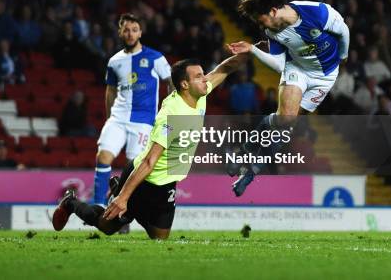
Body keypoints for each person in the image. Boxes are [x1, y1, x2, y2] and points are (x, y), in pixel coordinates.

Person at [53, 55, 247, 239]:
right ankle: (70, 202)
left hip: (167, 181)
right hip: (145, 179)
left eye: (203, 74)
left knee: (160, 237)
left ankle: (131, 210)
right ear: (185, 84)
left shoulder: (200, 93)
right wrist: (123, 197)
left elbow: (225, 68)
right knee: (107, 227)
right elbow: (149, 161)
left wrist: (253, 50)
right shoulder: (171, 115)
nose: (205, 79)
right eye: (198, 76)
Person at [227, 0, 350, 196]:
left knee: (285, 128)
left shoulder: (318, 13)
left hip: (325, 77)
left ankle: (248, 172)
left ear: (273, 11)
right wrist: (252, 50)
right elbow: (279, 64)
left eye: (261, 19)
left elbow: (343, 31)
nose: (261, 25)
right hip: (298, 70)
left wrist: (343, 55)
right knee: (285, 119)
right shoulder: (272, 31)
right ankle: (243, 152)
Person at [91, 13, 172, 207]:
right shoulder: (114, 61)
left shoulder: (155, 58)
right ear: (120, 32)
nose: (130, 34)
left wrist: (169, 108)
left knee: (132, 169)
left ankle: (123, 210)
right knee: (103, 157)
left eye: (134, 30)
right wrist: (110, 117)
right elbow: (110, 90)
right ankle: (98, 206)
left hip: (144, 121)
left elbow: (171, 82)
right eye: (126, 30)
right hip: (118, 118)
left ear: (140, 33)